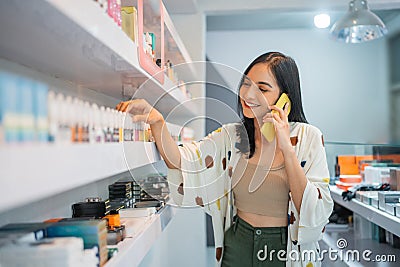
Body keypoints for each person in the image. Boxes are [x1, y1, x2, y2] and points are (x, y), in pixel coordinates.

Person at [116, 52, 334, 267]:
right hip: (238, 243)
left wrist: (286, 147)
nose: (248, 95)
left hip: (283, 248)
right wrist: (157, 121)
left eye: (262, 89)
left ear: (285, 99)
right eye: (246, 84)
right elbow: (184, 161)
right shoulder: (231, 136)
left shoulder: (308, 137)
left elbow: (315, 208)